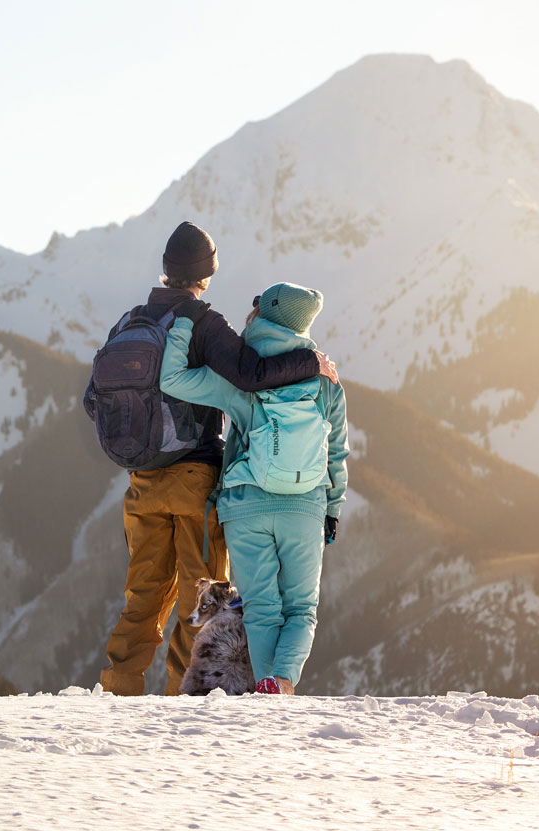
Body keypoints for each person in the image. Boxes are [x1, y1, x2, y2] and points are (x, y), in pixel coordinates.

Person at [93, 222, 338, 696]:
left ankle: (118, 691)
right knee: (199, 596)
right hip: (194, 480)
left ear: (166, 270)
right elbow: (249, 373)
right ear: (206, 274)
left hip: (141, 482)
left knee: (142, 594)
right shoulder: (203, 322)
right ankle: (184, 705)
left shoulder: (128, 323)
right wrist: (312, 364)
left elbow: (93, 398)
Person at [159, 282, 349, 694]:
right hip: (305, 507)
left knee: (261, 609)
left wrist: (183, 324)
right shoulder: (326, 380)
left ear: (262, 316)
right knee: (301, 609)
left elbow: (172, 378)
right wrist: (331, 510)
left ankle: (266, 693)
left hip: (246, 506)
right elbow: (337, 454)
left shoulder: (239, 378)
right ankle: (280, 683)